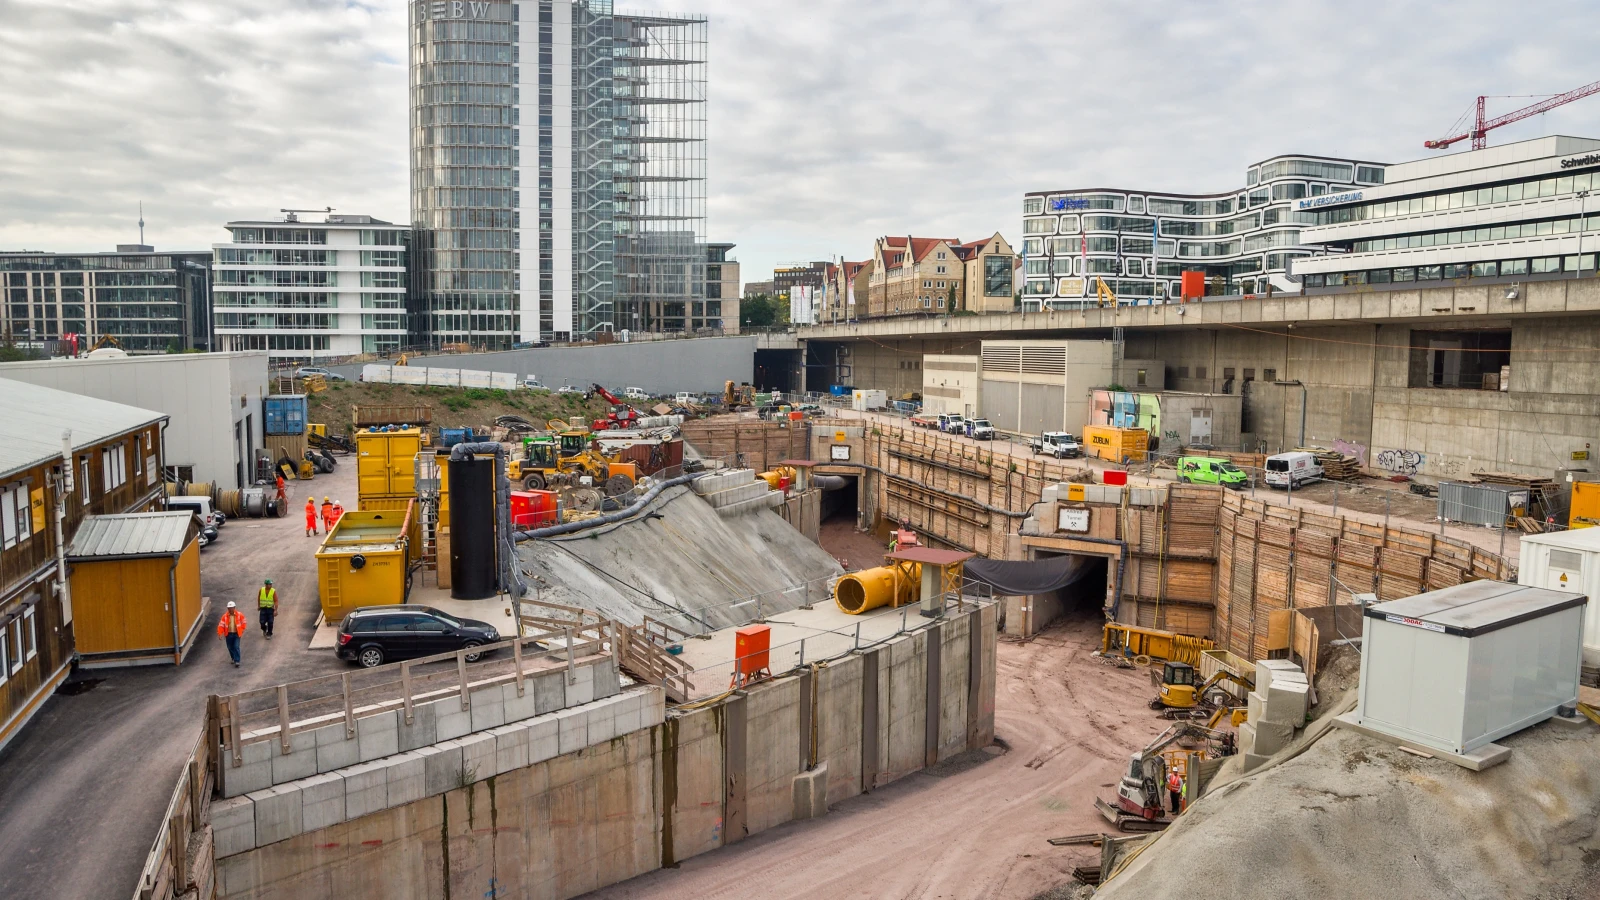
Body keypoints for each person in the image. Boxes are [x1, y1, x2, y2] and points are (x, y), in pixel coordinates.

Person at [217, 601, 248, 667]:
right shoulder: (225, 616)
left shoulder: (239, 615)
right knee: (230, 647)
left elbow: (244, 622)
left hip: (237, 634)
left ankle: (237, 661)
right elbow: (221, 625)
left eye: (231, 608)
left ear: (234, 608)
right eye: (229, 608)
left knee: (236, 646)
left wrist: (242, 629)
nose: (230, 609)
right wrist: (220, 633)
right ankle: (233, 657)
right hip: (228, 634)